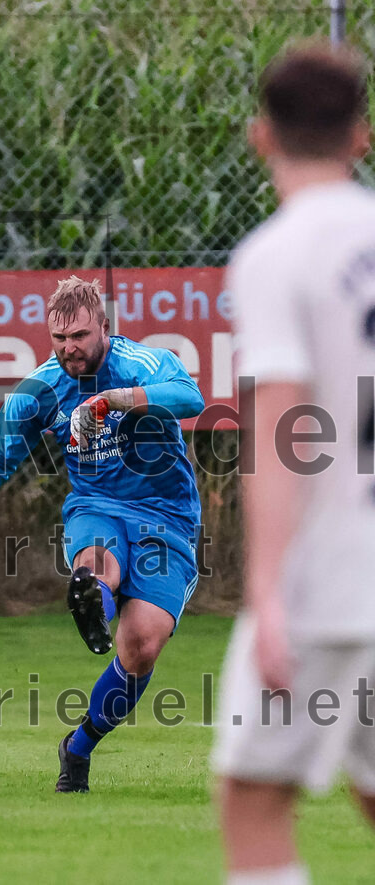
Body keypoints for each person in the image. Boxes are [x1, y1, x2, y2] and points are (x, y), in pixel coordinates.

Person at [0, 275, 204, 792]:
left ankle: (79, 745)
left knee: (141, 647)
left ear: (105, 330)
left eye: (81, 336)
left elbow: (189, 398)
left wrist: (113, 400)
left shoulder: (142, 364)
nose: (70, 348)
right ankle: (93, 599)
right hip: (96, 508)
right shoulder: (39, 391)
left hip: (167, 516)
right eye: (60, 338)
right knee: (97, 565)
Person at [213, 42, 375, 884]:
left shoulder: (276, 254)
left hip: (331, 578)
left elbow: (284, 423)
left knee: (254, 799)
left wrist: (267, 592)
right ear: (362, 136)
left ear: (259, 136)